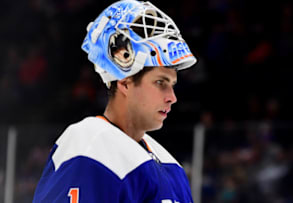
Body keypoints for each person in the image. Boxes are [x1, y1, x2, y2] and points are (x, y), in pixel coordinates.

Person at [32, 0, 197, 202]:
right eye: (160, 82)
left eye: (172, 84)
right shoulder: (89, 147)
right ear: (124, 82)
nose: (172, 97)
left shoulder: (172, 167)